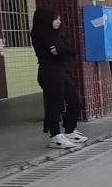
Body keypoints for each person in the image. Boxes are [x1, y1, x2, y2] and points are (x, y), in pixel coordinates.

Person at [30, 8, 85, 149]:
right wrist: (61, 51)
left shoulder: (58, 35)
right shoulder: (39, 35)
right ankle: (54, 136)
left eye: (59, 19)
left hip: (62, 72)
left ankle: (69, 130)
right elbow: (59, 52)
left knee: (75, 101)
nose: (59, 22)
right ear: (46, 20)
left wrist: (60, 50)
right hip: (49, 73)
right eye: (56, 19)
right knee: (56, 104)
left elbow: (71, 51)